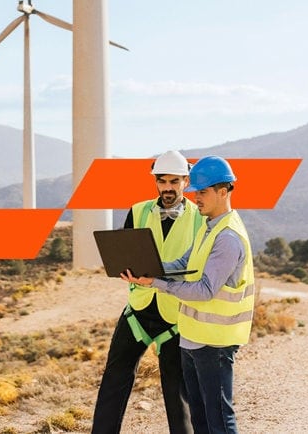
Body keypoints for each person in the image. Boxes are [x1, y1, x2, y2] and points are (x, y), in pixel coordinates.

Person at [120, 156, 255, 434]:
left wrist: (158, 284)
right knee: (200, 418)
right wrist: (149, 273)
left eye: (203, 192)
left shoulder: (227, 237)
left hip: (215, 343)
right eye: (196, 192)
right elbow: (184, 263)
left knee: (218, 417)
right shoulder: (209, 226)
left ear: (223, 190)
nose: (197, 199)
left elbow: (205, 290)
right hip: (193, 338)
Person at [92, 150, 202, 434]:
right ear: (155, 181)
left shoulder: (199, 218)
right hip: (138, 309)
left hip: (175, 315)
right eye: (162, 181)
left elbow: (198, 265)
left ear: (186, 181)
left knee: (177, 392)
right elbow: (126, 250)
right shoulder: (138, 210)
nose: (167, 187)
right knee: (114, 380)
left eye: (174, 181)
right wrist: (124, 269)